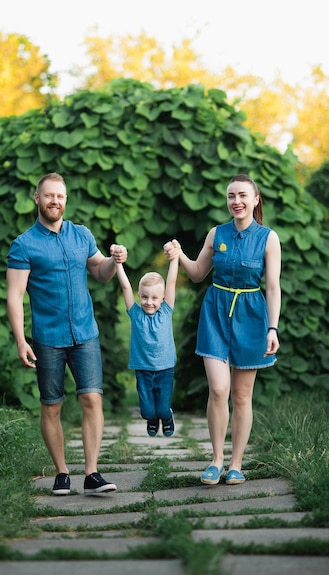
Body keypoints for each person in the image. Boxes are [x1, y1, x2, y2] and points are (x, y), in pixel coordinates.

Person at [6, 172, 128, 496]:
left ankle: (92, 473)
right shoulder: (23, 245)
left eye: (59, 196)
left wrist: (114, 261)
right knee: (52, 406)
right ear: (37, 198)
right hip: (47, 336)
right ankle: (62, 472)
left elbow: (100, 273)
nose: (54, 201)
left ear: (65, 200)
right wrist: (21, 339)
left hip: (85, 332)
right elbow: (15, 296)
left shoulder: (82, 235)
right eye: (48, 196)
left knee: (91, 398)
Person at [164, 174, 281, 485]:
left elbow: (272, 287)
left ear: (256, 200)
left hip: (252, 316)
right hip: (215, 314)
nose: (236, 201)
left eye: (242, 195)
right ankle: (216, 459)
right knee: (218, 389)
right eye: (231, 196)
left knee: (242, 396)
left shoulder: (268, 238)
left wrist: (273, 328)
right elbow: (199, 273)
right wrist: (180, 256)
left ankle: (236, 463)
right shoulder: (216, 234)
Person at [115, 247, 179, 437]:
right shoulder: (135, 314)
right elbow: (126, 287)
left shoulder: (166, 311)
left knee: (162, 408)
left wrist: (174, 259)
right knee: (147, 412)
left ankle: (166, 417)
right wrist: (118, 264)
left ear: (163, 298)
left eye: (154, 298)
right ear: (139, 295)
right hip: (143, 369)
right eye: (144, 296)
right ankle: (152, 419)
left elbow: (172, 282)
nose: (148, 302)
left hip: (165, 368)